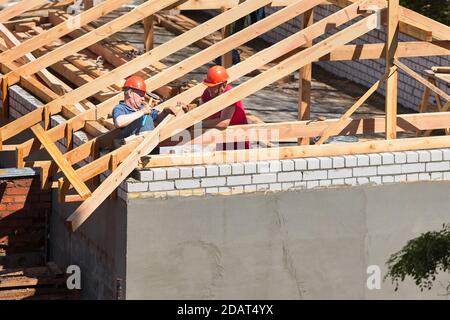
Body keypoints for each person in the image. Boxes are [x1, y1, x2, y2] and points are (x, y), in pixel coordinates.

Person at [112, 75, 183, 140]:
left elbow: (158, 118)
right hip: (133, 149)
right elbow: (119, 122)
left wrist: (165, 111)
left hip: (150, 144)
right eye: (141, 95)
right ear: (130, 93)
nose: (143, 98)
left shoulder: (143, 107)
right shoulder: (120, 108)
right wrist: (142, 112)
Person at [200, 65, 250, 150]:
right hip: (219, 141)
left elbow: (223, 123)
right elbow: (201, 113)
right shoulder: (207, 93)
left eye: (213, 86)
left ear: (223, 85)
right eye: (209, 85)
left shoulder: (230, 95)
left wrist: (199, 124)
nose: (210, 89)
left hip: (237, 142)